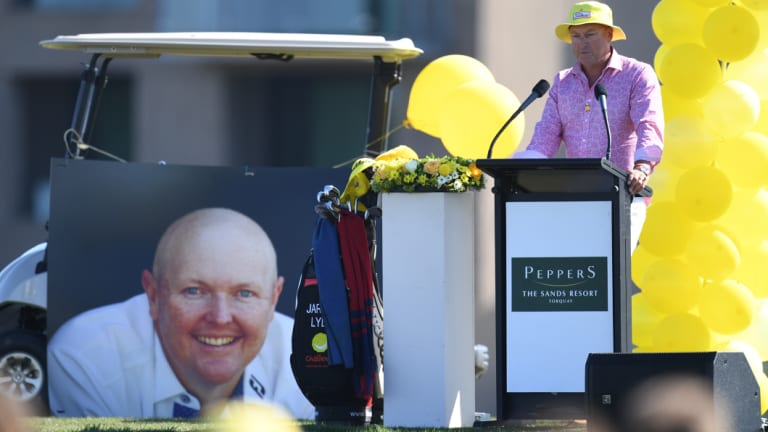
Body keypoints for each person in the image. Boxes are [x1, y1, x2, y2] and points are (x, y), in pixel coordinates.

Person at [47, 207, 315, 420]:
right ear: (153, 296)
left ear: (273, 299)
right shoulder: (87, 358)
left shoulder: (308, 366)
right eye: (194, 291)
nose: (220, 317)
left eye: (244, 294)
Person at [514, 0, 664, 252]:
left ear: (608, 35)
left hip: (623, 196)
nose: (582, 42)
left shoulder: (637, 74)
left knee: (608, 277)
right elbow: (546, 134)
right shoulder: (562, 82)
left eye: (590, 34)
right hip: (575, 199)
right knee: (581, 276)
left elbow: (649, 124)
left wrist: (642, 166)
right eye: (576, 36)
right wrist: (528, 168)